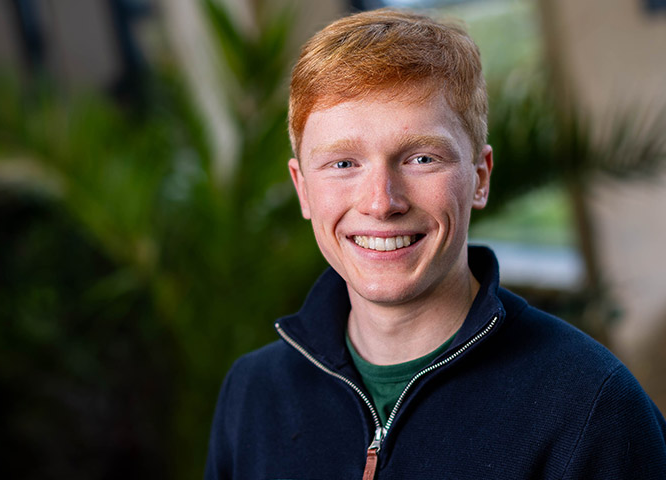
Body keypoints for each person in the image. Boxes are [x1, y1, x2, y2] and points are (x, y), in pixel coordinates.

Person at [205, 8, 666, 480]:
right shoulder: (252, 392)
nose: (381, 203)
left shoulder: (592, 408)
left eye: (422, 158)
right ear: (303, 189)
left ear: (480, 178)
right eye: (343, 164)